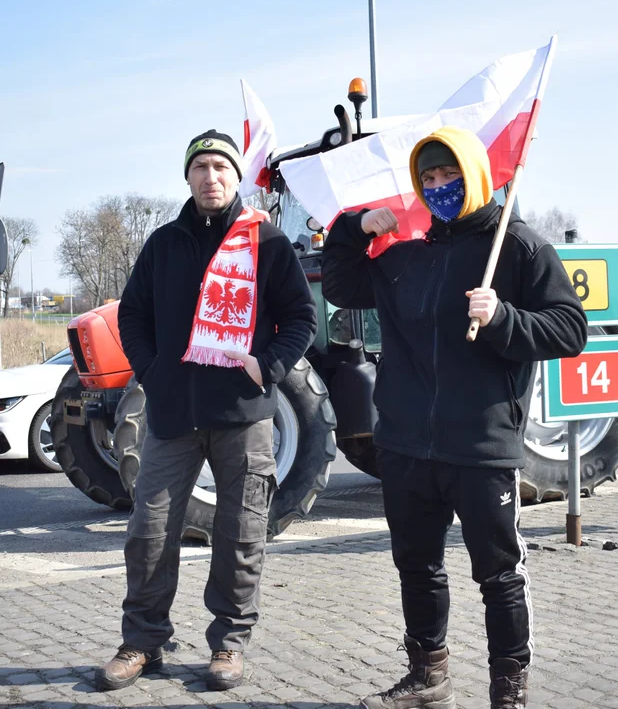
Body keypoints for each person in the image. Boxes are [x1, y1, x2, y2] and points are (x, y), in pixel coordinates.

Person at [321, 126, 588, 709]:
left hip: (481, 445)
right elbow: (340, 285)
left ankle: (507, 691)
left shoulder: (517, 247)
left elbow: (570, 331)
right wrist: (352, 227)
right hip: (407, 443)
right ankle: (427, 678)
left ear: (475, 176)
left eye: (450, 176)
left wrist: (504, 318)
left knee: (497, 575)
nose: (440, 187)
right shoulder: (405, 256)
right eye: (430, 179)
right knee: (416, 566)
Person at [96, 130, 317, 692]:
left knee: (241, 531)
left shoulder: (264, 241)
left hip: (243, 415)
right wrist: (151, 371)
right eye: (201, 167)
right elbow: (133, 316)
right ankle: (143, 641)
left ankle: (228, 644)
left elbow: (300, 318)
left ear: (236, 176)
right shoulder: (163, 244)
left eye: (221, 166)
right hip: (172, 415)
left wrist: (266, 365)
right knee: (149, 530)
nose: (211, 177)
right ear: (187, 176)